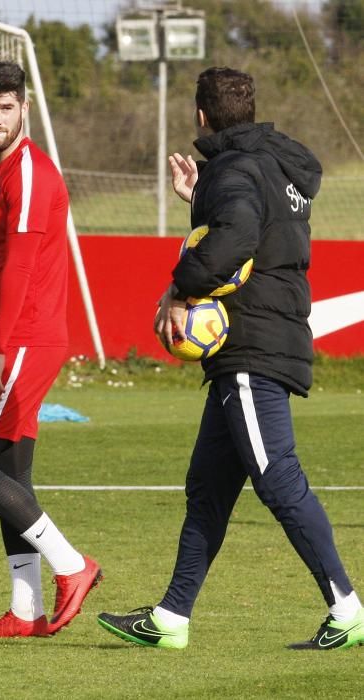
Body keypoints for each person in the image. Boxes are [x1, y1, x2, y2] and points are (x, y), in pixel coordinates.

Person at [97, 67, 363, 650]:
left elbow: (236, 237)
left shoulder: (236, 169)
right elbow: (254, 228)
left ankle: (348, 608)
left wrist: (180, 286)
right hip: (263, 341)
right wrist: (201, 198)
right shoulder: (273, 166)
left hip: (252, 347)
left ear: (201, 116)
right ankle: (171, 617)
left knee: (278, 479)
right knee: (208, 488)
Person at [0, 61, 101, 638]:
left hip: (24, 339)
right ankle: (25, 610)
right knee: (10, 471)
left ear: (25, 108)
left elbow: (16, 270)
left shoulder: (30, 175)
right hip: (15, 340)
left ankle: (73, 566)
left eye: (6, 107)